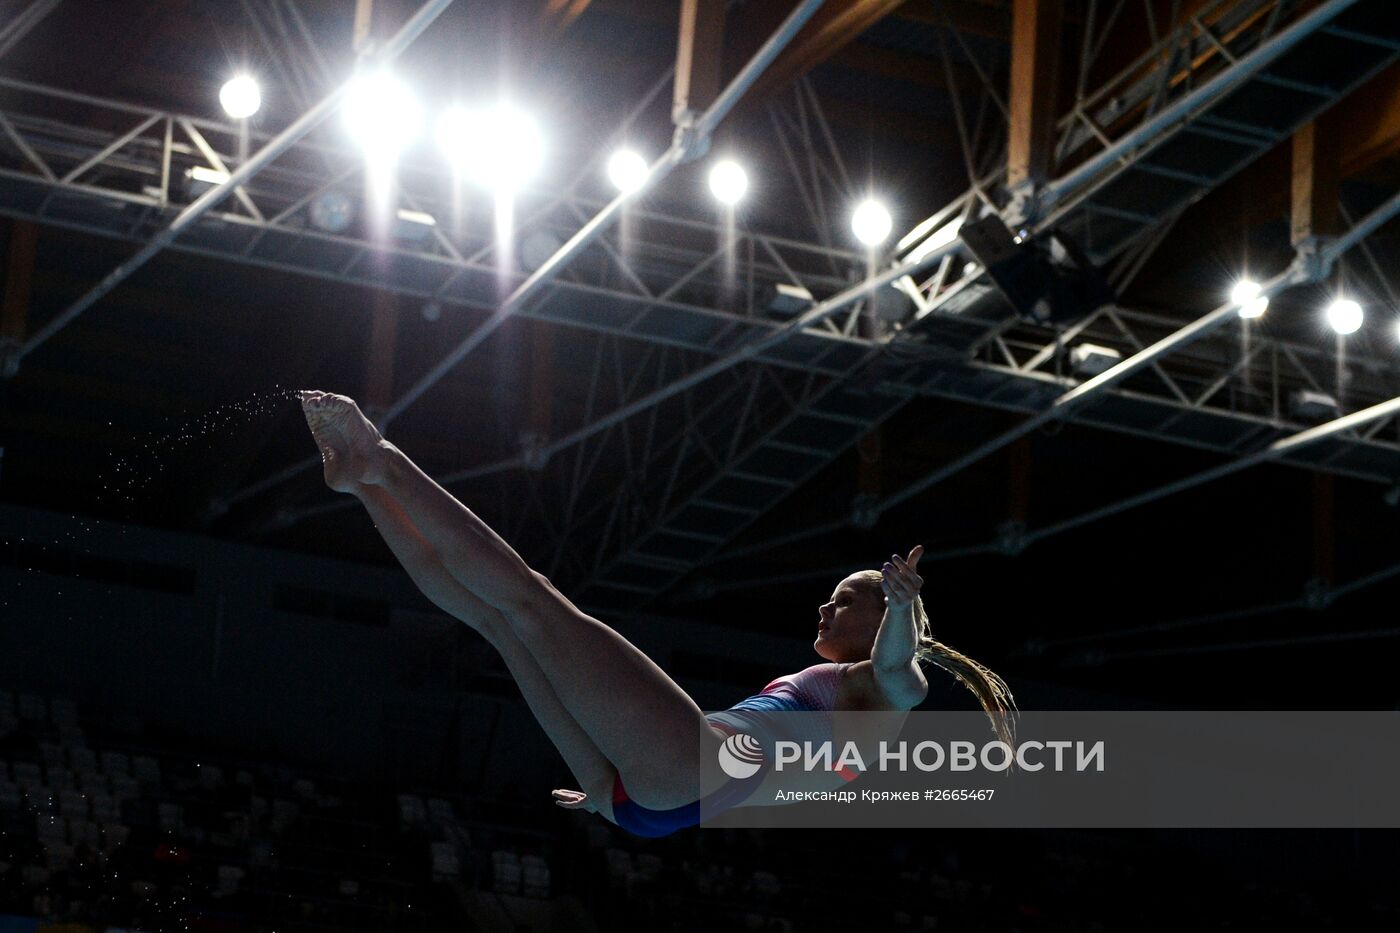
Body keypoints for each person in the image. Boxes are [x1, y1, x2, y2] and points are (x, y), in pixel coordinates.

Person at [299, 391, 1015, 837]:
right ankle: (362, 487)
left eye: (847, 598)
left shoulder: (897, 684)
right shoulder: (851, 709)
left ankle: (381, 456)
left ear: (885, 617)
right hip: (648, 798)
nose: (827, 604)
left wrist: (899, 601)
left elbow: (898, 657)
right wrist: (631, 771)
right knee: (499, 620)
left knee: (529, 595)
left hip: (679, 771)